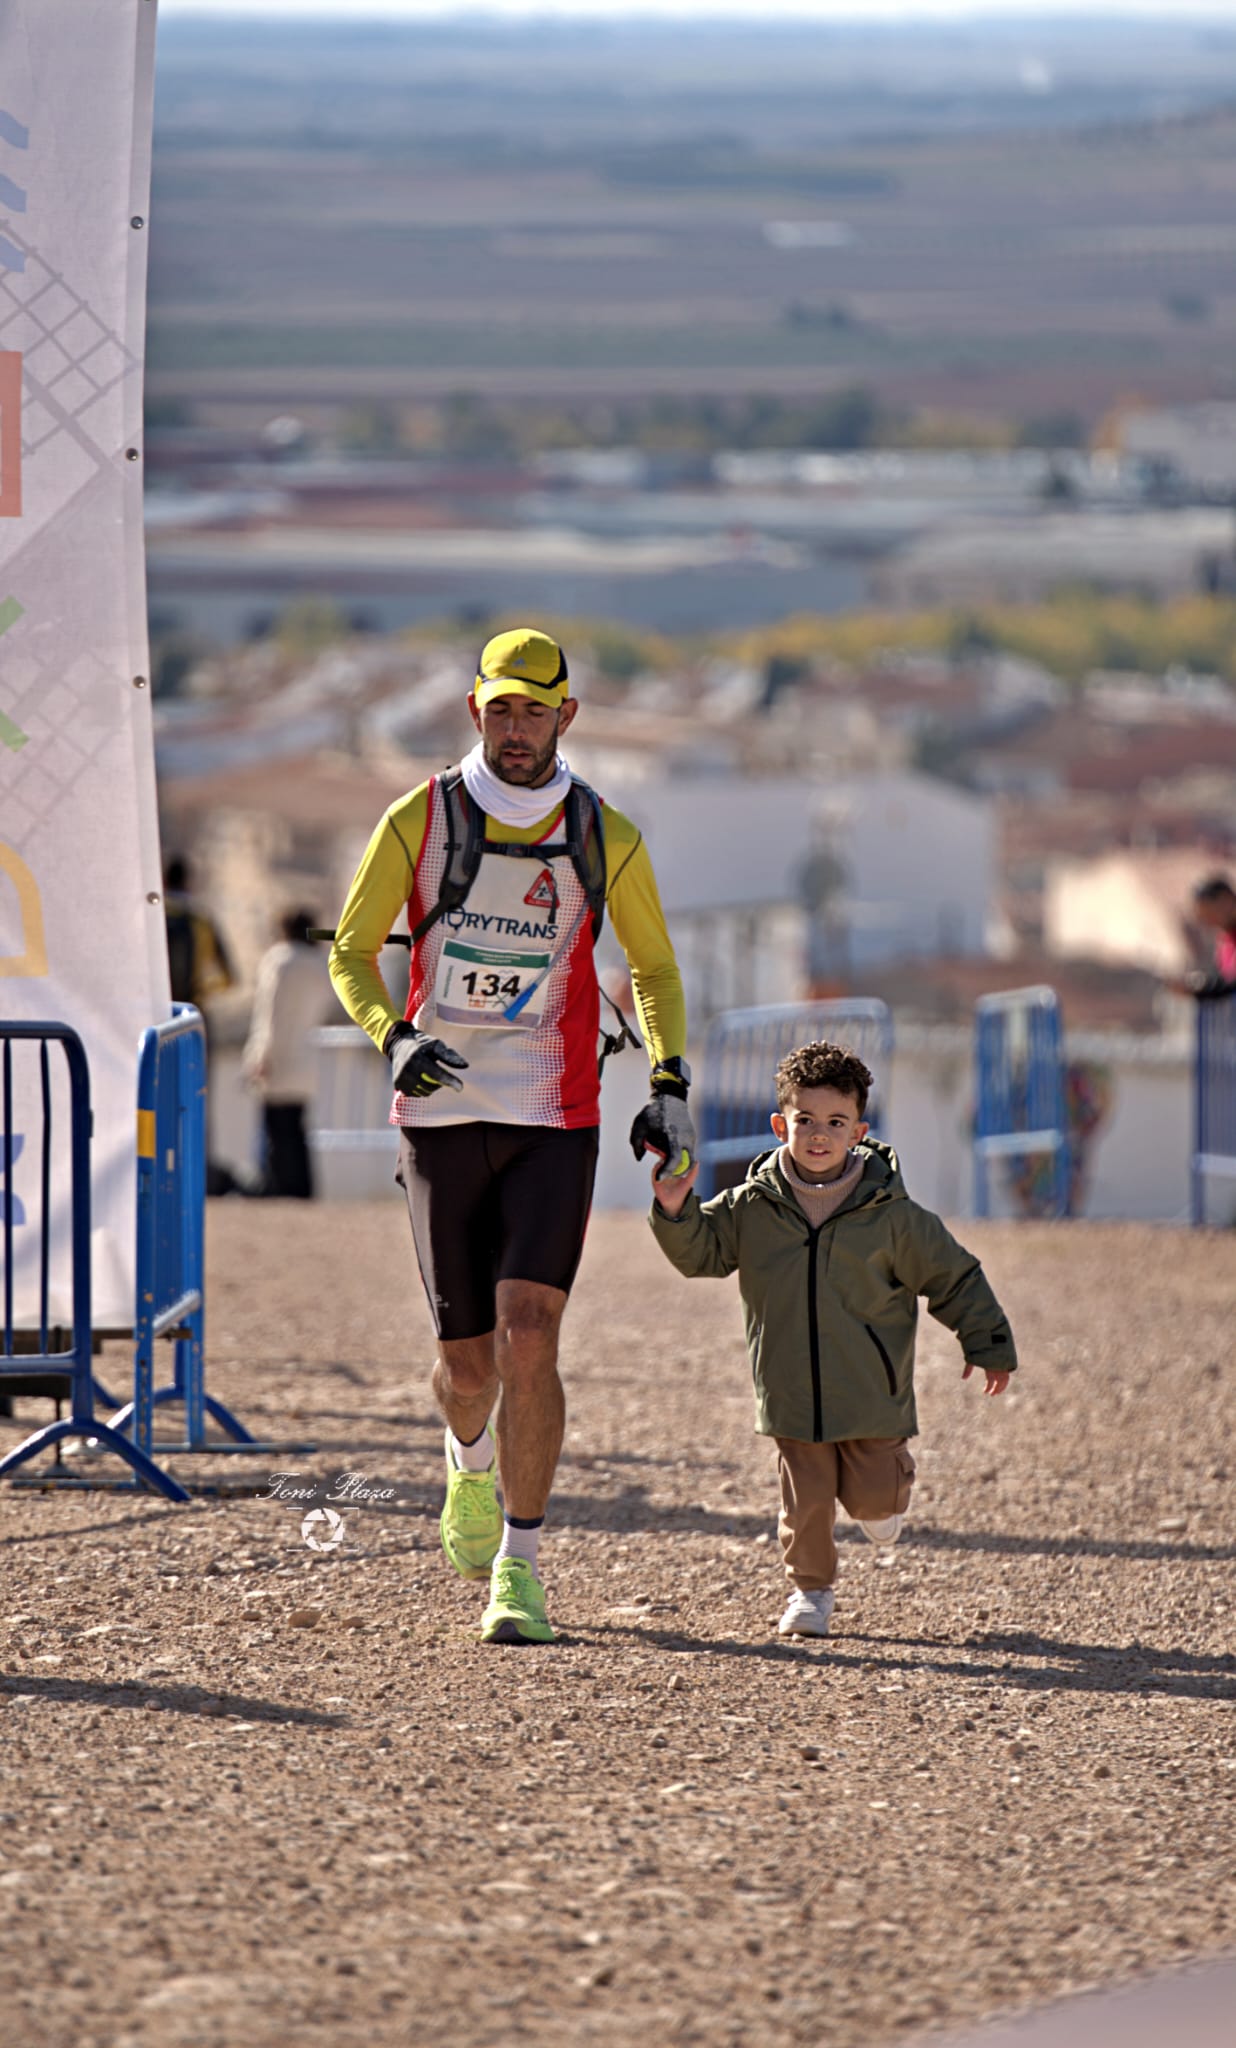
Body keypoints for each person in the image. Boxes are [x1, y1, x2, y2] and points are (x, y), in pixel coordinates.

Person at [329, 627, 695, 1646]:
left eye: (536, 709)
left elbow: (654, 969)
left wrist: (668, 1079)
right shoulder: (421, 815)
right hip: (442, 1112)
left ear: (568, 715)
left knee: (532, 1331)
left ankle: (520, 1567)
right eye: (501, 707)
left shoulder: (602, 832)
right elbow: (351, 952)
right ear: (473, 708)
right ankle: (469, 1462)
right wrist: (394, 1038)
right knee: (469, 1365)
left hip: (552, 1111)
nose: (518, 727)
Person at [647, 1040, 1016, 1639]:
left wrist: (988, 1341)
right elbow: (702, 1254)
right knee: (806, 1499)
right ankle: (811, 1592)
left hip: (873, 1393)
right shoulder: (751, 1207)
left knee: (872, 1500)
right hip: (789, 1391)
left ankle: (887, 1498)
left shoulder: (893, 1216)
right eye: (805, 1121)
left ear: (859, 1130)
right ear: (779, 1125)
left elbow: (954, 1276)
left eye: (835, 1123)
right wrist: (674, 1209)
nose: (819, 1135)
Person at [242, 909, 330, 1199]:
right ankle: (303, 1190)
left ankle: (279, 1191)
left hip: (279, 1057)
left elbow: (270, 1016)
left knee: (276, 1132)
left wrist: (259, 1056)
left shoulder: (280, 961)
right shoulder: (320, 964)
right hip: (306, 1055)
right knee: (297, 1131)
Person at [1167, 875, 1236, 1000]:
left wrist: (1204, 991)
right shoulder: (1225, 942)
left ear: (1227, 900)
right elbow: (1225, 979)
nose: (1208, 922)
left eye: (1209, 913)